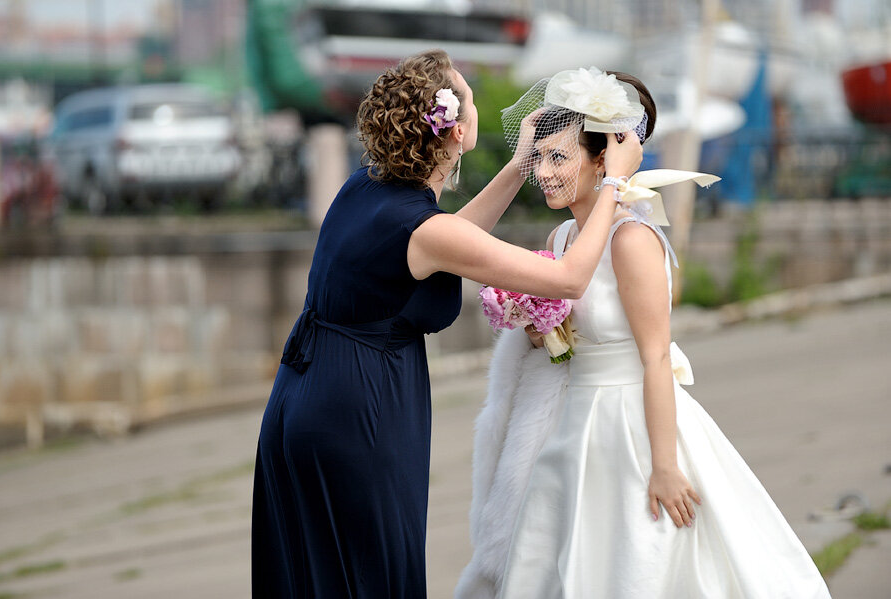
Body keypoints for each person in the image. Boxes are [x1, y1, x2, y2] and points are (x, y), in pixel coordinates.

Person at [251, 51, 643, 598]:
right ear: (457, 131)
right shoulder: (420, 225)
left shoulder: (364, 189)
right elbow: (571, 279)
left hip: (303, 398)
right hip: (359, 410)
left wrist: (518, 165)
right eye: (470, 95)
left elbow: (447, 239)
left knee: (317, 571)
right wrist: (614, 185)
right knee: (373, 572)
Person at [456, 68, 832, 598]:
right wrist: (537, 324)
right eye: (539, 157)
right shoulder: (563, 235)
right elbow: (563, 346)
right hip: (570, 426)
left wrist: (664, 466)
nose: (543, 171)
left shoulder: (631, 237)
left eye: (557, 158)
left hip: (634, 422)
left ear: (602, 159)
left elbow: (656, 358)